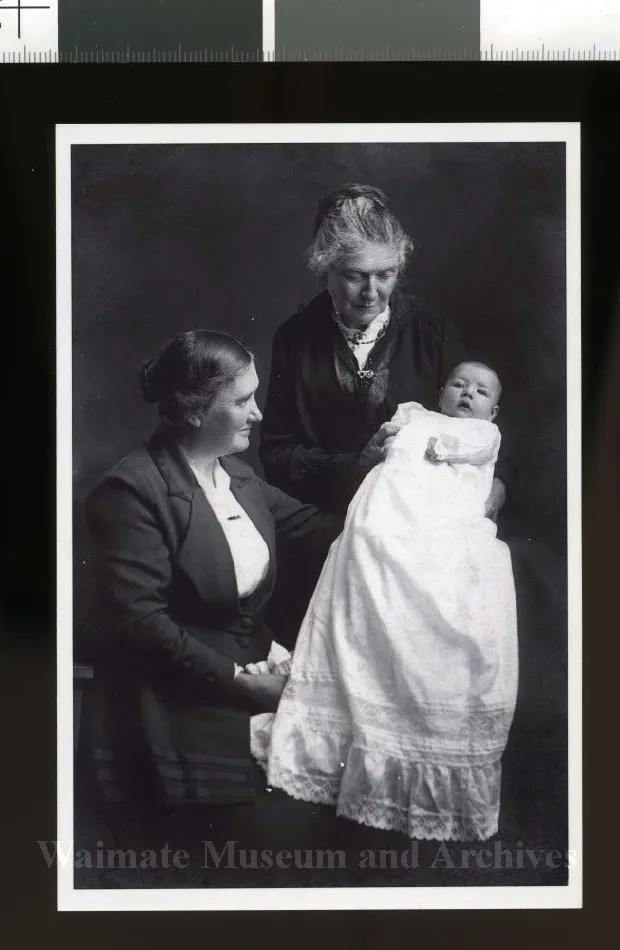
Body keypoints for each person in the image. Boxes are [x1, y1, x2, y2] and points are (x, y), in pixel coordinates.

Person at [252, 361, 518, 842]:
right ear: (441, 390)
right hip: (390, 509)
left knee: (451, 577)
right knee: (369, 541)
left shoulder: (485, 435)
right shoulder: (413, 413)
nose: (466, 394)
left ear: (493, 410)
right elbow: (388, 446)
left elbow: (460, 452)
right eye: (458, 384)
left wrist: (438, 447)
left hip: (444, 521)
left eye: (480, 391)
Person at [82, 329, 340, 810]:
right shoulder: (132, 490)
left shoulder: (239, 477)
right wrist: (243, 681)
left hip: (256, 679)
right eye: (243, 400)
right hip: (171, 703)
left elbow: (324, 530)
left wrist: (410, 484)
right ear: (196, 410)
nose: (258, 413)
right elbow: (140, 623)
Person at [259, 183, 513, 521]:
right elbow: (277, 455)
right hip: (327, 519)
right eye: (354, 276)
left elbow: (481, 424)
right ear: (326, 269)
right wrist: (354, 464)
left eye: (385, 275)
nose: (371, 293)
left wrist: (496, 486)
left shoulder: (433, 332)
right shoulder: (294, 338)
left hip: (420, 519)